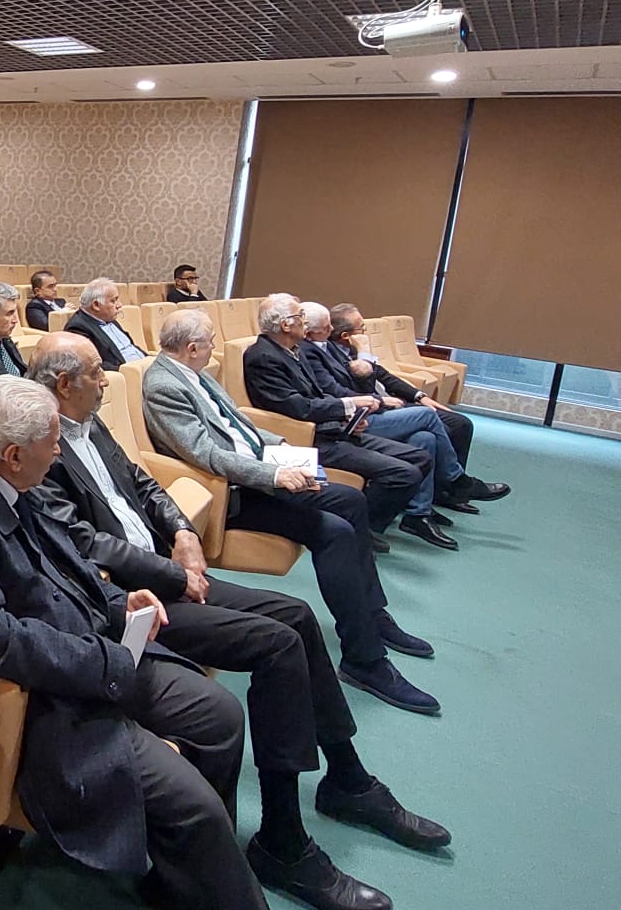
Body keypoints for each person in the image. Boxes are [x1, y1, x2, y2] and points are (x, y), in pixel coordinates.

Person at [0, 377, 412, 910]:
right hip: (54, 701)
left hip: (102, 646)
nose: (60, 451)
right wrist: (108, 658)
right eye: (51, 443)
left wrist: (121, 603)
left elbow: (68, 568)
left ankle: (186, 880)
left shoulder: (10, 483)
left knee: (220, 715)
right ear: (14, 453)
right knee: (193, 807)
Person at [29, 334, 447, 910]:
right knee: (277, 646)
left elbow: (142, 483)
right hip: (130, 601)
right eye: (97, 372)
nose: (108, 380)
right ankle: (283, 841)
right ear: (63, 384)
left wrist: (183, 530)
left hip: (168, 568)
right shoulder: (39, 442)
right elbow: (80, 540)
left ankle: (347, 780)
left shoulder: (88, 423)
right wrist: (171, 573)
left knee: (297, 616)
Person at [143, 309, 440, 716]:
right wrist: (275, 473)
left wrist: (283, 447)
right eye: (210, 342)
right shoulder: (163, 385)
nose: (215, 348)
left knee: (350, 501)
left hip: (259, 471)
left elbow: (238, 425)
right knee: (333, 531)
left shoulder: (194, 373)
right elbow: (205, 454)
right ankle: (365, 658)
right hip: (234, 494)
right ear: (192, 348)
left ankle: (371, 615)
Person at [242, 295, 430, 547]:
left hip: (335, 429)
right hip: (311, 438)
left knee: (420, 458)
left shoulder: (294, 350)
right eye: (300, 316)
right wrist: (348, 406)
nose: (305, 322)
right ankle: (361, 529)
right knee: (404, 474)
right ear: (286, 325)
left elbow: (320, 394)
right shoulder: (263, 357)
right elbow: (298, 408)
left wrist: (348, 417)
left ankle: (364, 526)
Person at [316, 304, 507, 513]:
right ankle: (455, 481)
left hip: (385, 405)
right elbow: (361, 388)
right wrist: (365, 358)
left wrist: (420, 395)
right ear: (346, 335)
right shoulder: (330, 353)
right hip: (368, 414)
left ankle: (420, 512)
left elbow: (384, 375)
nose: (365, 333)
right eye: (362, 328)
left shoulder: (346, 349)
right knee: (430, 418)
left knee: (432, 435)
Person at [65, 277, 147, 363]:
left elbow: (130, 347)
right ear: (96, 305)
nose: (119, 305)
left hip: (142, 364)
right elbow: (93, 364)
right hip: (125, 369)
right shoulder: (78, 328)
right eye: (113, 301)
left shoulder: (107, 317)